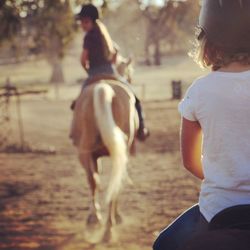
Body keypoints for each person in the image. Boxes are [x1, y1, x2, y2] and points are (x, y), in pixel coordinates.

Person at [153, 0, 250, 249]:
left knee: (163, 245)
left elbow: (190, 161)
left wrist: (226, 176)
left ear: (208, 42)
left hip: (218, 209)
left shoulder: (199, 90)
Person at [75, 4, 149, 141]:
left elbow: (83, 59)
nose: (82, 25)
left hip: (94, 74)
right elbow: (115, 52)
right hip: (111, 72)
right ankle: (142, 128)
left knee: (78, 102)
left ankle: (76, 133)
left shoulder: (88, 37)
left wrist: (88, 70)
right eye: (81, 22)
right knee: (134, 98)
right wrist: (110, 64)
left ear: (92, 21)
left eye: (85, 22)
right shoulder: (104, 34)